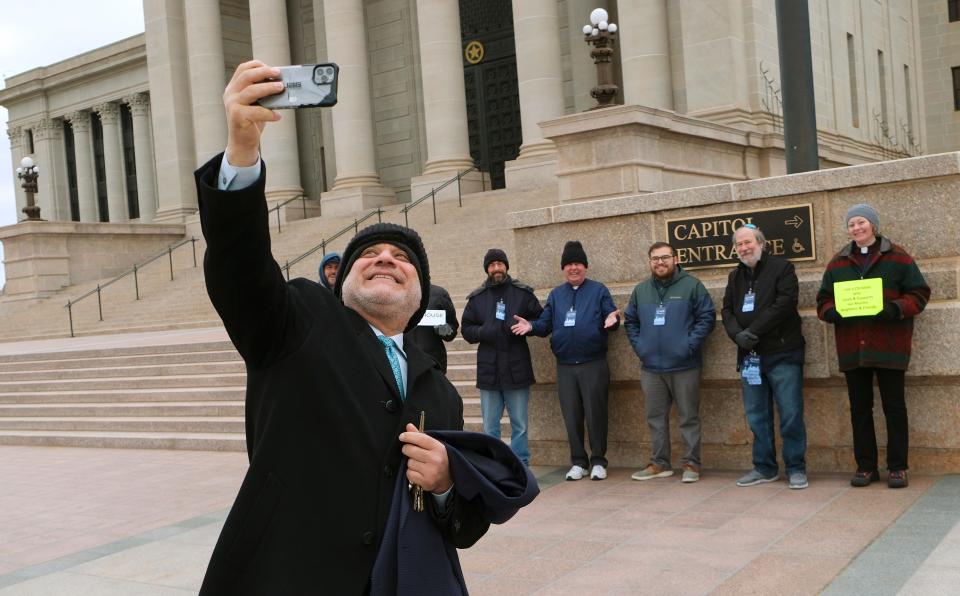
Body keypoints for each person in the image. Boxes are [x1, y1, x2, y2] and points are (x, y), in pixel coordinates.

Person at [195, 60, 496, 594]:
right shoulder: (298, 324)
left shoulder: (440, 392)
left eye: (401, 257)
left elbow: (461, 528)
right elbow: (240, 267)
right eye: (369, 255)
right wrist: (242, 151)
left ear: (419, 294)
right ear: (341, 283)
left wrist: (448, 482)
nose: (385, 259)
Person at [816, 204, 929, 489]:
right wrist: (831, 312)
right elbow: (823, 300)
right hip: (854, 348)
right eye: (852, 224)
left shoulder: (898, 257)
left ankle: (897, 467)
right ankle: (865, 466)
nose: (856, 228)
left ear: (873, 225)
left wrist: (895, 309)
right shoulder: (838, 263)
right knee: (859, 409)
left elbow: (919, 293)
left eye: (861, 222)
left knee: (894, 407)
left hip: (890, 346)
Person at [511, 241, 619, 481]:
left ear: (585, 267)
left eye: (578, 263)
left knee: (596, 414)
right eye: (569, 264)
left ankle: (599, 461)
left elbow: (610, 315)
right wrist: (530, 327)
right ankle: (578, 462)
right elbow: (545, 323)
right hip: (566, 366)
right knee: (571, 416)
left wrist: (614, 322)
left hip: (593, 364)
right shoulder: (556, 294)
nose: (573, 268)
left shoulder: (598, 290)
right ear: (563, 268)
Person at [721, 224, 809, 490]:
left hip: (783, 354)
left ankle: (795, 468)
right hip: (750, 357)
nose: (744, 248)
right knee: (757, 415)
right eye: (739, 245)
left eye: (748, 242)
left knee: (791, 413)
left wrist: (753, 331)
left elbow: (784, 303)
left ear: (761, 242)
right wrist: (738, 335)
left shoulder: (782, 268)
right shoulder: (735, 277)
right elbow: (726, 311)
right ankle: (764, 467)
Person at [624, 242, 716, 483]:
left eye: (665, 257)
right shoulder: (641, 290)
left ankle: (692, 464)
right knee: (655, 418)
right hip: (651, 367)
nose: (660, 262)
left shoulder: (691, 285)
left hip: (685, 365)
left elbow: (707, 317)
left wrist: (688, 345)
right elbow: (631, 322)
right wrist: (641, 347)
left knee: (688, 417)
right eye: (655, 259)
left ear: (675, 259)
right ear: (650, 262)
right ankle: (659, 463)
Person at [461, 248, 543, 466]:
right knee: (490, 426)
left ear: (506, 266)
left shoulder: (523, 293)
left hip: (517, 369)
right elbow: (466, 330)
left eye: (500, 263)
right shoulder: (477, 298)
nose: (496, 268)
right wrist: (482, 331)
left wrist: (531, 326)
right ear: (487, 269)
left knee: (520, 424)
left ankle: (521, 464)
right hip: (489, 372)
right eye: (492, 265)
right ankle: (494, 465)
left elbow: (544, 321)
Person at [405, 283, 459, 373]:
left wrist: (445, 330)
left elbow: (452, 327)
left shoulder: (439, 294)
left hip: (433, 362)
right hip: (403, 360)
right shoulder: (396, 293)